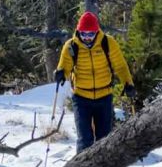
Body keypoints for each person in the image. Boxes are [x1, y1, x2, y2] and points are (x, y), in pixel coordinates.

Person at [55, 11, 136, 153]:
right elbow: (65, 67)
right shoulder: (71, 46)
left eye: (91, 34)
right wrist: (60, 74)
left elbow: (120, 66)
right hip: (81, 98)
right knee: (84, 140)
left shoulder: (107, 43)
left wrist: (128, 83)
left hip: (104, 97)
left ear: (97, 31)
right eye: (83, 34)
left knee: (104, 140)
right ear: (78, 31)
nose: (87, 37)